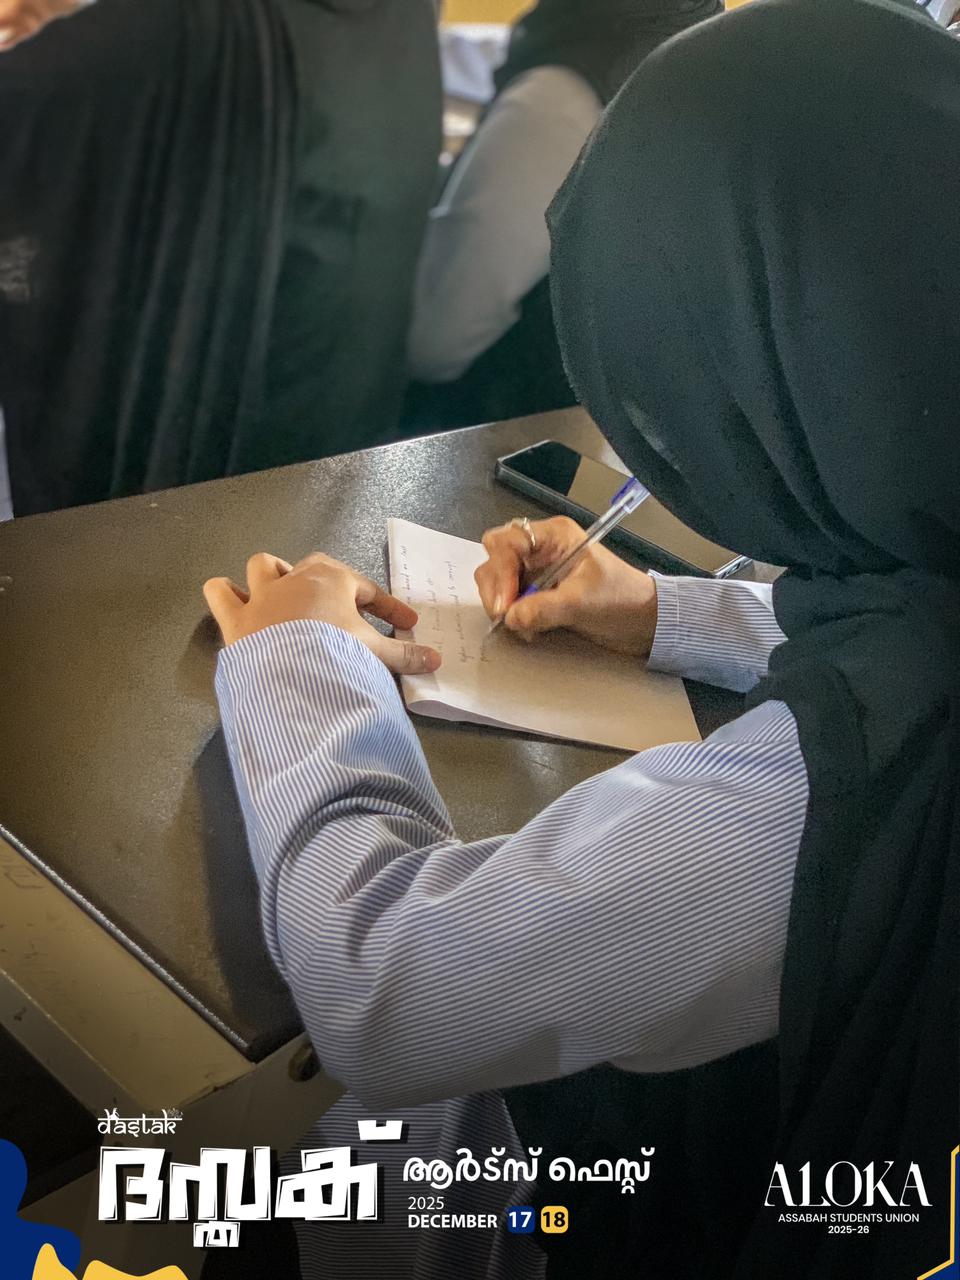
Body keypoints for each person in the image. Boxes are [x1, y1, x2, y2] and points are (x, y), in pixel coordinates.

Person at [203, 0, 958, 1276]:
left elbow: (384, 985)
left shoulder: (824, 803)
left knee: (317, 1154)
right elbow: (909, 630)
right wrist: (665, 609)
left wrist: (301, 660)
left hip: (632, 1218)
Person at [0, 0, 440, 516]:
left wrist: (52, 31)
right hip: (340, 418)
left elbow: (30, 98)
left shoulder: (209, 26)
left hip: (223, 445)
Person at [404, 0, 721, 431]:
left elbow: (435, 342)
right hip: (610, 427)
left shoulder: (560, 99)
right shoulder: (694, 51)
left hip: (498, 432)